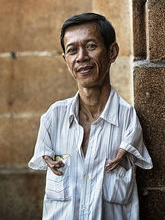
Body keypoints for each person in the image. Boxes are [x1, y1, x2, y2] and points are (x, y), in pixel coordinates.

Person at [28, 13, 153, 220]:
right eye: (72, 50)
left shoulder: (127, 119)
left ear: (112, 52)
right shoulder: (53, 118)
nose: (81, 57)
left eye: (91, 46)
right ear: (66, 60)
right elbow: (42, 158)